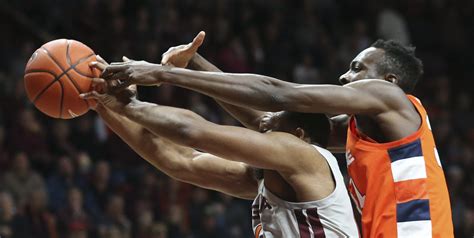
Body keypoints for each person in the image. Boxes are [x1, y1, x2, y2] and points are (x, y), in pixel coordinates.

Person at [97, 32, 454, 237]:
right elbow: (269, 120)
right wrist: (196, 64)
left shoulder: (390, 97)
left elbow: (280, 94)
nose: (345, 77)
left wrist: (162, 77)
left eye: (357, 68)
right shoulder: (362, 132)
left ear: (388, 81)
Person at [82, 60, 359, 237]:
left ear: (299, 135)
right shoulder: (266, 182)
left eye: (274, 120)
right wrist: (104, 104)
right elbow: (179, 160)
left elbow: (193, 132)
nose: (262, 122)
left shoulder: (305, 154)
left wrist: (131, 106)